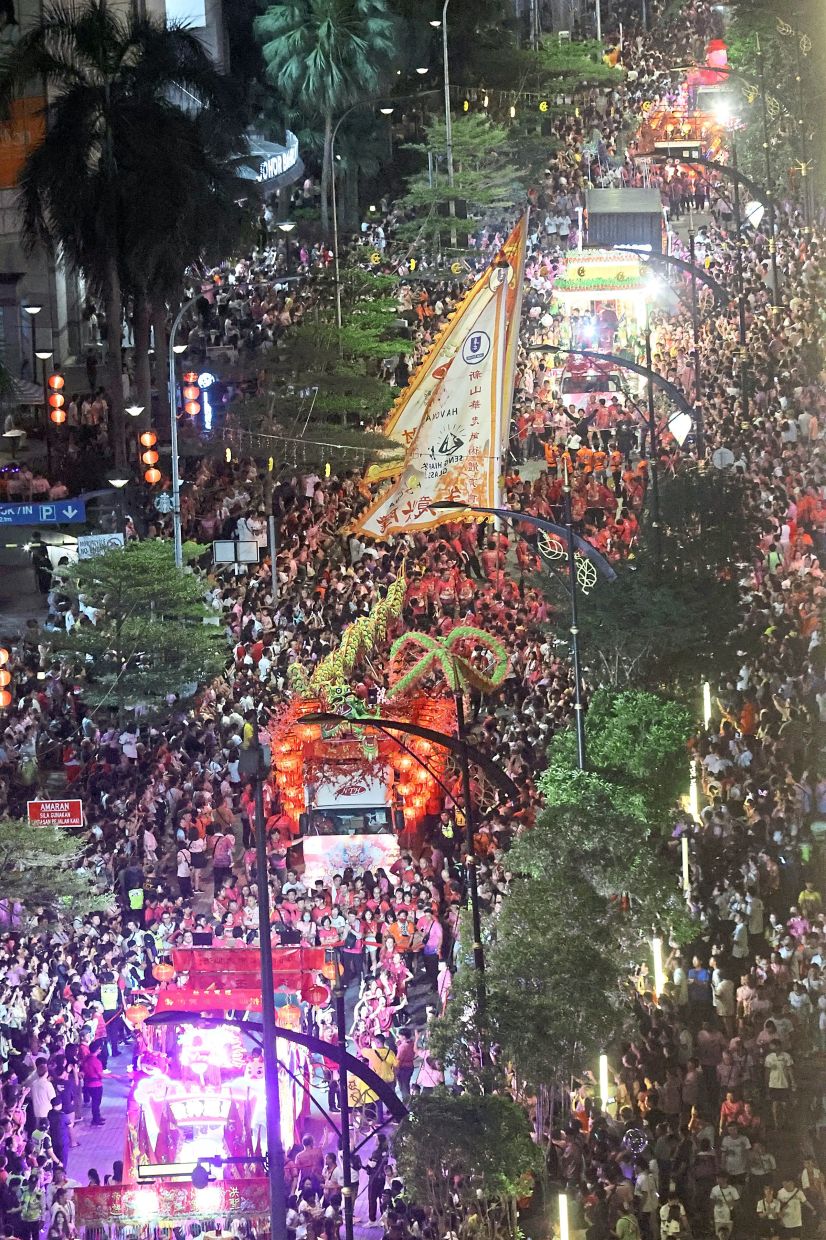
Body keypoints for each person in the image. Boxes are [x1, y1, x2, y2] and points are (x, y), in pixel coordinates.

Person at [710, 1172, 740, 1240]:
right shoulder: (714, 1189)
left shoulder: (732, 1189)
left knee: (727, 1231)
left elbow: (737, 1201)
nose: (718, 1180)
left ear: (725, 1179)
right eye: (717, 1178)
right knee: (718, 1232)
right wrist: (716, 1201)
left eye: (719, 1178)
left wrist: (731, 1203)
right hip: (717, 1214)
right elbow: (711, 1201)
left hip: (728, 1214)